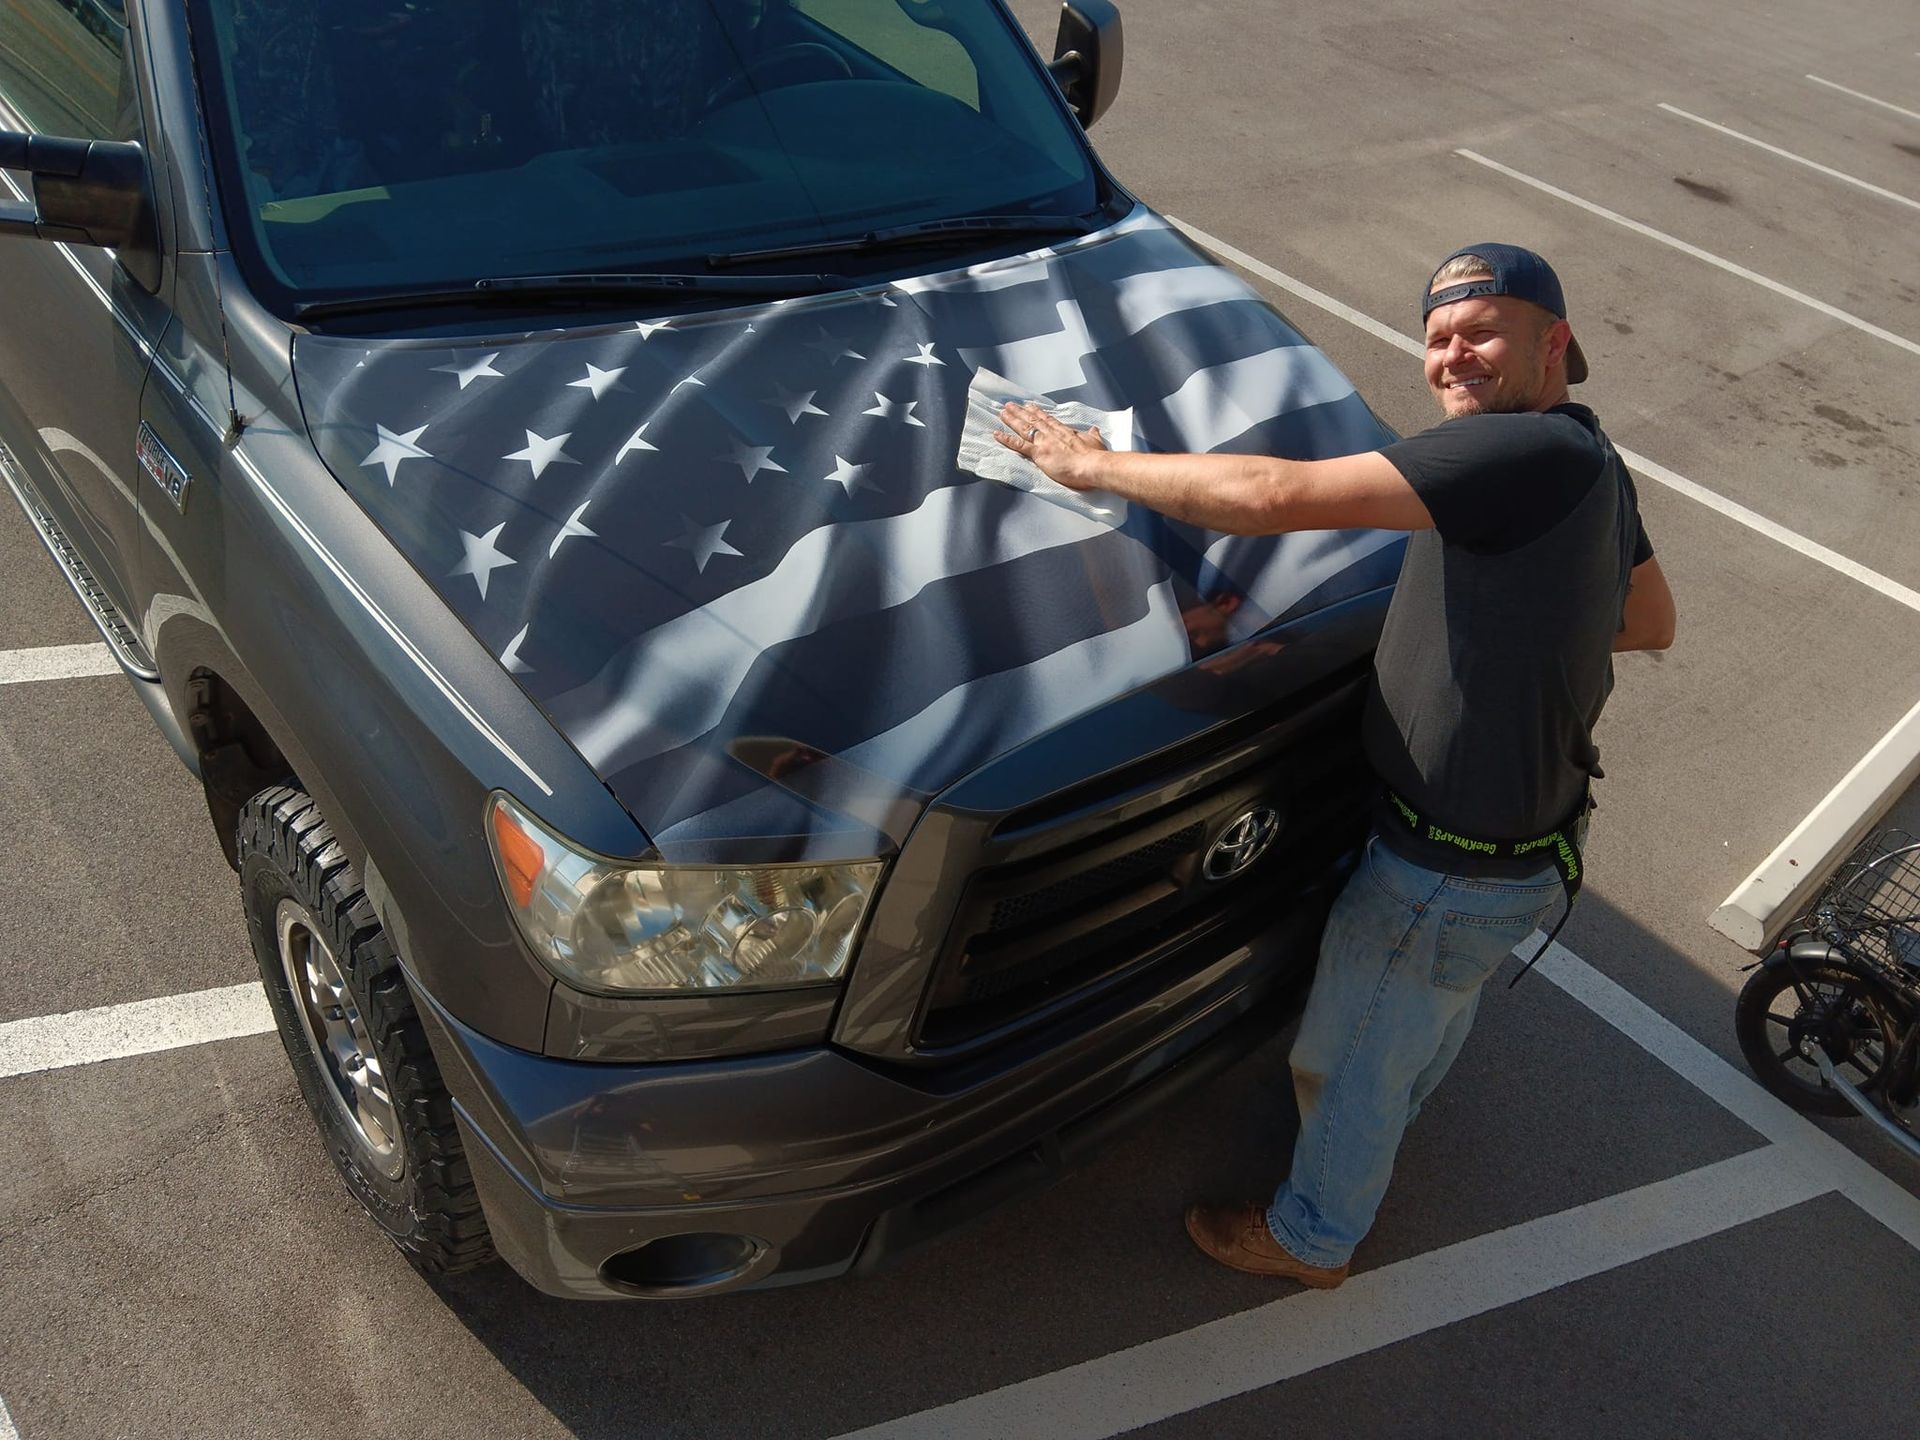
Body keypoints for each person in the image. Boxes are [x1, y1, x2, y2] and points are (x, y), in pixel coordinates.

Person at [995, 243, 1677, 1288]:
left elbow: (1272, 494)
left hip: (1443, 866)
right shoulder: (1587, 458)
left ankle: (1312, 1235)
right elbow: (1647, 619)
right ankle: (1384, 1115)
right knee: (1423, 1020)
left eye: (1481, 330)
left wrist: (1087, 468)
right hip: (1530, 843)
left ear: (1556, 343)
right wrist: (1509, 638)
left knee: (1350, 1049)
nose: (1454, 356)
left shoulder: (1512, 456)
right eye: (1438, 338)